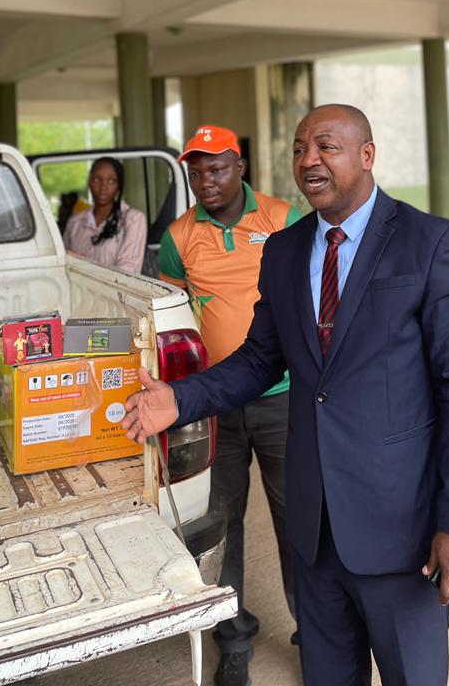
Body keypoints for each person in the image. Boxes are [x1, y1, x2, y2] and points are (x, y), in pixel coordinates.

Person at [124, 104, 449, 686]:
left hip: (403, 530)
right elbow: (258, 360)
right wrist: (181, 399)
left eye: (327, 146)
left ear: (367, 156)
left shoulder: (430, 241)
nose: (309, 160)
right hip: (315, 535)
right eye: (300, 148)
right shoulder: (284, 249)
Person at [158, 125, 302, 686]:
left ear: (239, 167)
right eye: (196, 173)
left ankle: (315, 633)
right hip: (216, 405)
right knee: (220, 523)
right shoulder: (179, 236)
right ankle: (233, 636)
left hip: (283, 398)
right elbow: (174, 312)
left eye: (216, 169)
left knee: (299, 521)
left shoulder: (283, 217)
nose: (206, 182)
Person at [63, 156, 146, 274]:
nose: (103, 187)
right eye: (97, 179)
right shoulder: (75, 222)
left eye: (112, 181)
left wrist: (81, 264)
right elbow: (63, 264)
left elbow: (127, 272)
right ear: (89, 182)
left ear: (119, 186)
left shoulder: (133, 219)